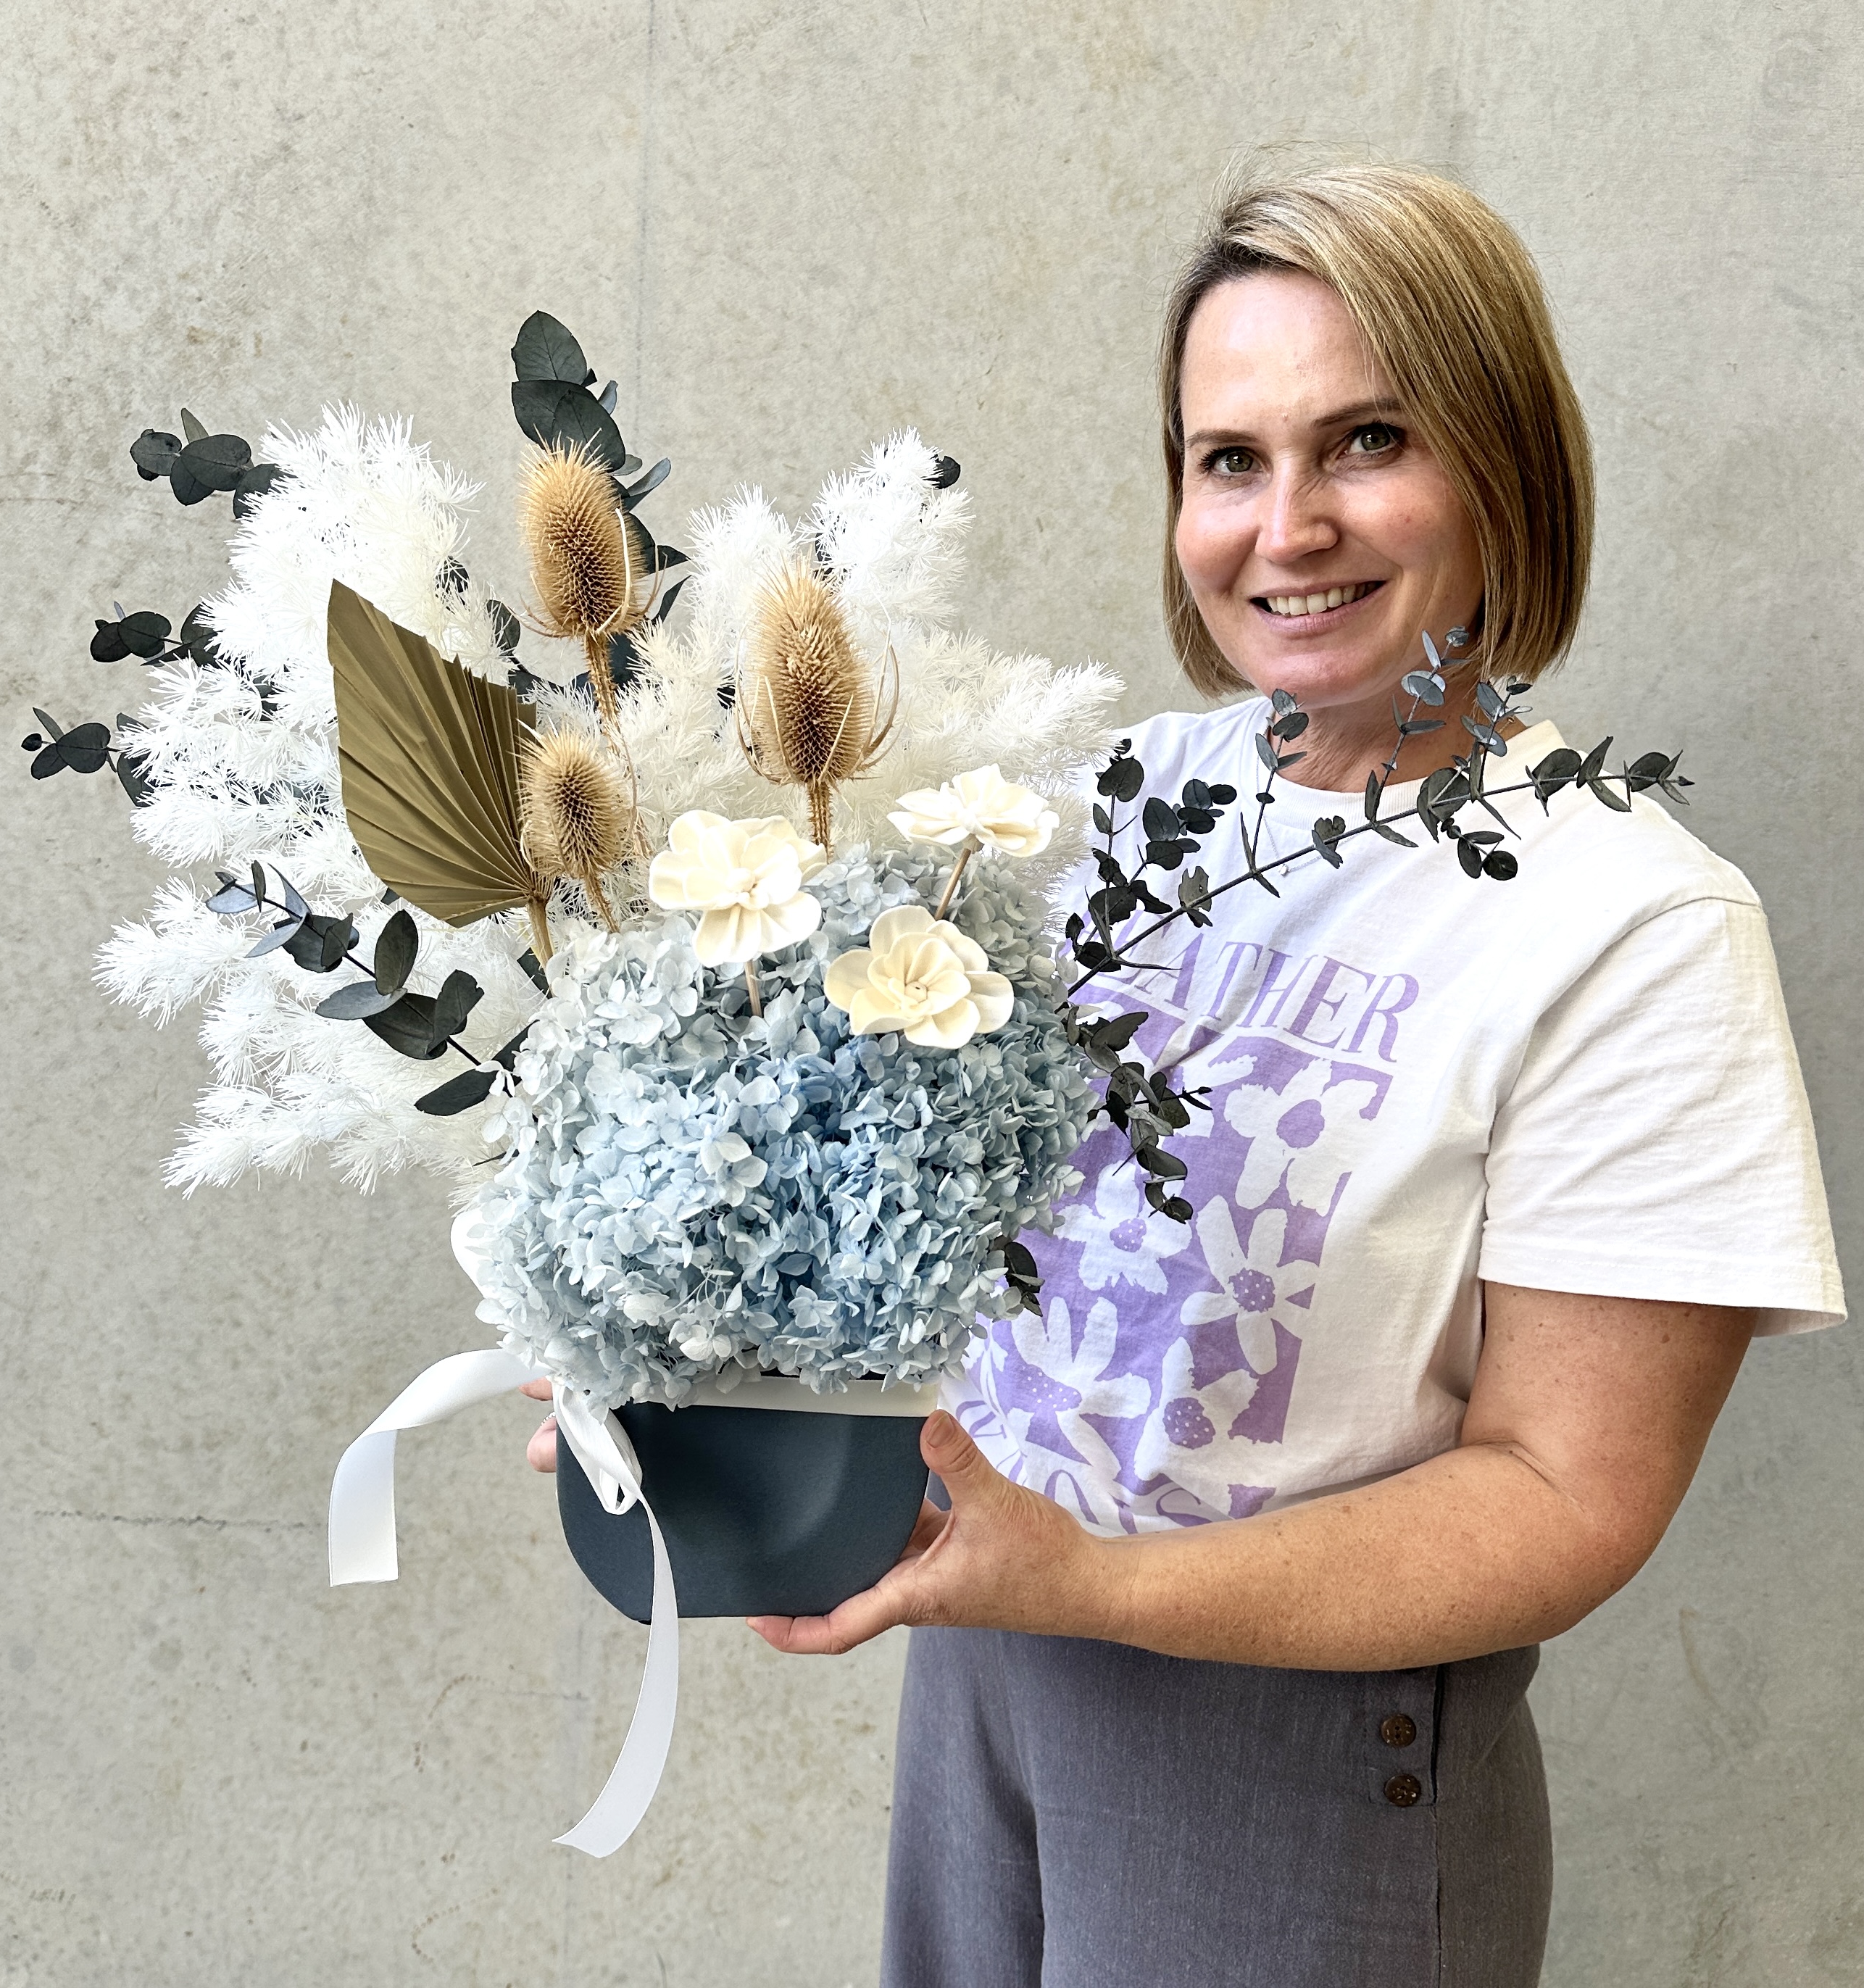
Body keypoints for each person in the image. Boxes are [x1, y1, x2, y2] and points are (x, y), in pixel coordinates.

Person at [526, 164, 1844, 1986]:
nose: (1285, 526)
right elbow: (892, 1193)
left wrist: (1097, 1582)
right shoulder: (1113, 801)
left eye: (1367, 440)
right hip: (986, 1675)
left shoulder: (1630, 922)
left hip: (1302, 1765)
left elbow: (1566, 1493)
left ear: (1506, 466)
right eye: (1228, 459)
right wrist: (676, 1339)